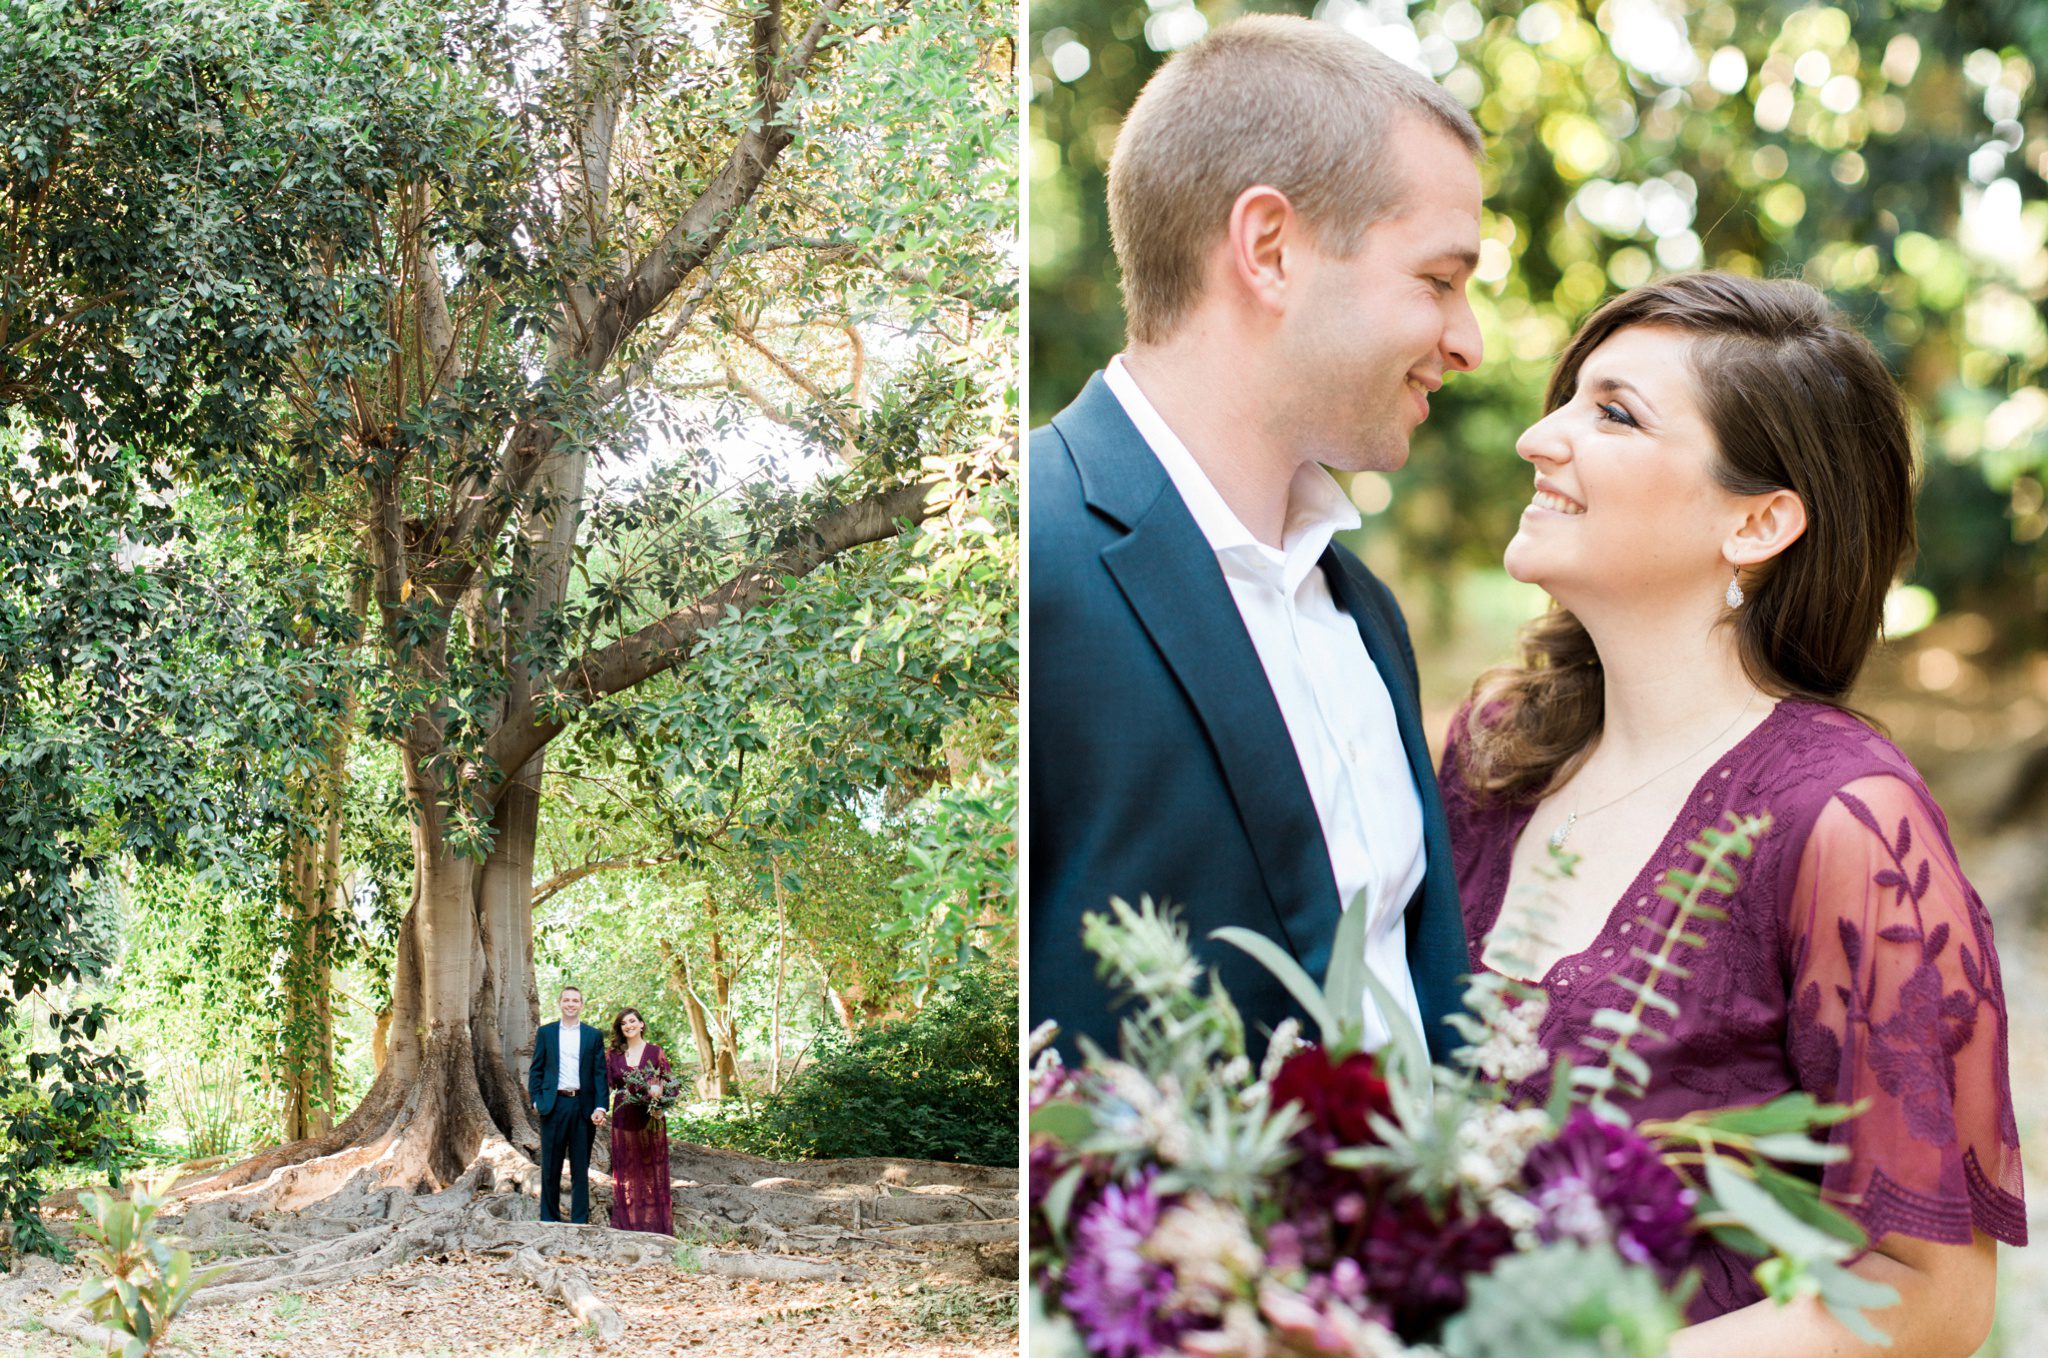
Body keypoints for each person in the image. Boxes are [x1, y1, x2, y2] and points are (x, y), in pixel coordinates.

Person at [1439, 272, 2025, 1354]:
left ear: (1756, 520)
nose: (1536, 435)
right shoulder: (1484, 755)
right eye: (1566, 395)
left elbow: (1928, 1295)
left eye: (1611, 412)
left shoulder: (1847, 823)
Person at [1029, 14, 1485, 1061]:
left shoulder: (1363, 611)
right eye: (1437, 279)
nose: (1465, 341)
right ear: (1269, 249)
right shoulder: (1031, 550)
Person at [527, 984, 609, 1225]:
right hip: (553, 1106)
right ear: (560, 1003)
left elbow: (599, 1074)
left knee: (580, 1168)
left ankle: (579, 1220)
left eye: (575, 1000)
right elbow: (537, 1069)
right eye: (567, 1000)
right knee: (550, 1166)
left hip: (583, 1107)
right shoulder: (547, 1033)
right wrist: (536, 1100)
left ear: (581, 1005)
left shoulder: (593, 1035)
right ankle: (549, 1218)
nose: (571, 1004)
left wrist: (601, 1106)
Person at [605, 1007, 675, 1236]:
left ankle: (655, 1225)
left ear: (642, 1024)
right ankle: (629, 1225)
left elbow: (671, 1083)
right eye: (624, 1023)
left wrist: (661, 1105)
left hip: (650, 1117)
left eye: (633, 1021)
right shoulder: (613, 1056)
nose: (629, 1026)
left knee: (651, 1168)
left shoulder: (655, 1052)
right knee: (627, 1169)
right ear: (620, 1028)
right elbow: (605, 1085)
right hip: (623, 1117)